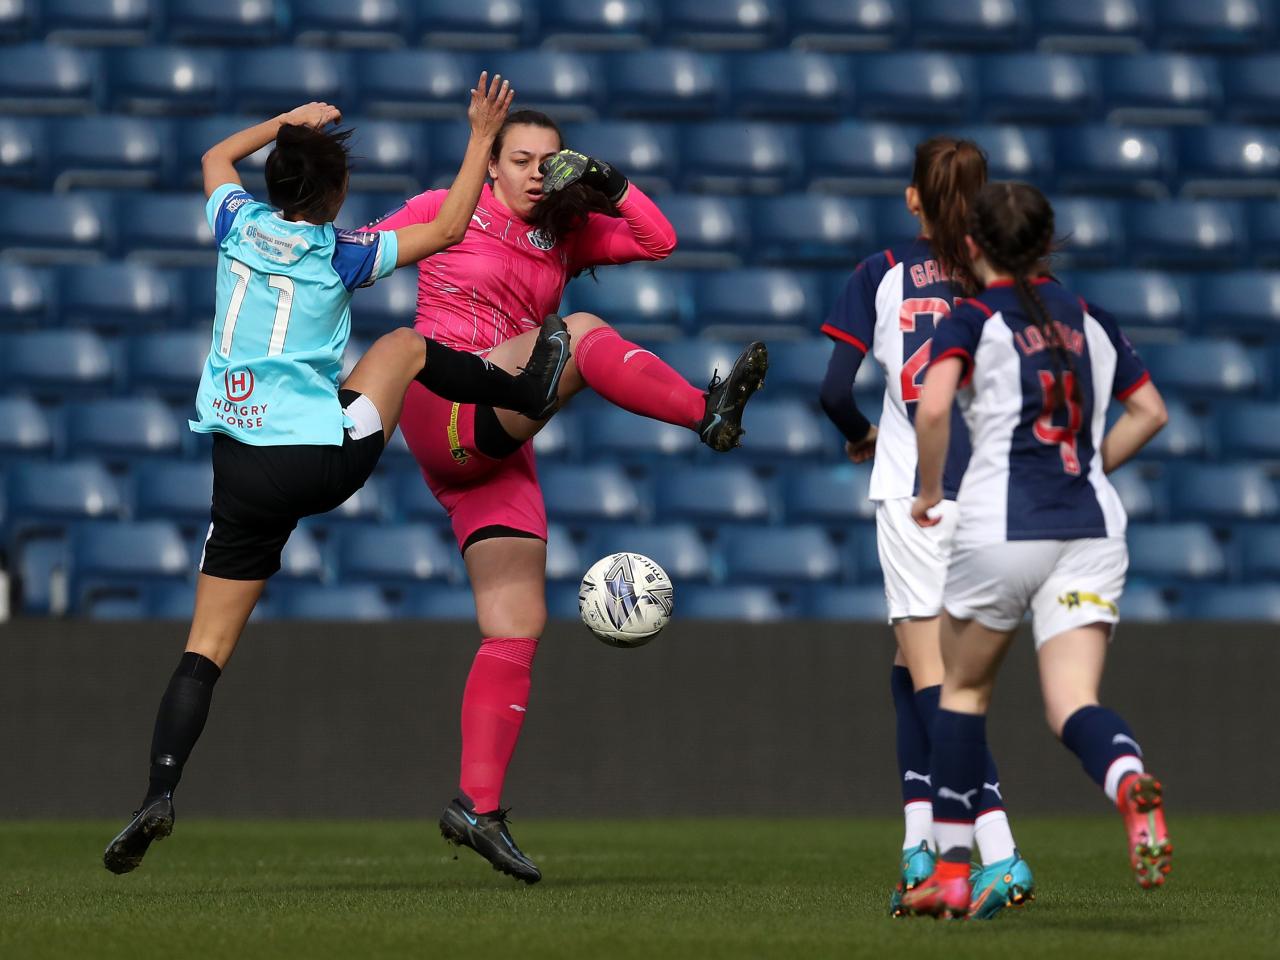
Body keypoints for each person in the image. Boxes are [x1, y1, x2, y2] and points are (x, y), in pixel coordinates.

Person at [104, 76, 574, 875]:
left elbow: (217, 154)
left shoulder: (236, 224)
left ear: (272, 187)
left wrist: (283, 121)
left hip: (240, 473)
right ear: (336, 193)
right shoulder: (343, 254)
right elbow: (454, 223)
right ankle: (526, 386)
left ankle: (158, 792)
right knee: (404, 347)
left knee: (205, 649)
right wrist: (477, 138)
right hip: (321, 461)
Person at [364, 110, 768, 884]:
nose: (536, 173)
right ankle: (702, 411)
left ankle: (476, 807)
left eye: (552, 161)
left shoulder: (566, 230)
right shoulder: (444, 207)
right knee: (577, 332)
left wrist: (609, 183)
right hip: (442, 404)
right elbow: (360, 257)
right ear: (489, 163)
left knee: (516, 623)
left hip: (496, 444)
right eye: (520, 159)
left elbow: (660, 240)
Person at [902, 182, 1172, 918]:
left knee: (962, 692)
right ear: (1048, 243)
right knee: (1072, 702)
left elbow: (931, 407)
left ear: (970, 247)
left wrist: (929, 491)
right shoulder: (1091, 317)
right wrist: (1090, 466)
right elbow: (1151, 411)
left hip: (1002, 525)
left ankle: (953, 873)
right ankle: (1127, 781)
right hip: (1092, 531)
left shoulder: (972, 315)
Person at [819, 136, 1032, 918]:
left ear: (914, 197)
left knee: (942, 685)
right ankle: (916, 840)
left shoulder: (880, 273)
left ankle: (997, 855)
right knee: (913, 671)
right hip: (999, 500)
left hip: (919, 494)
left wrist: (862, 436)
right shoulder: (1006, 286)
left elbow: (834, 389)